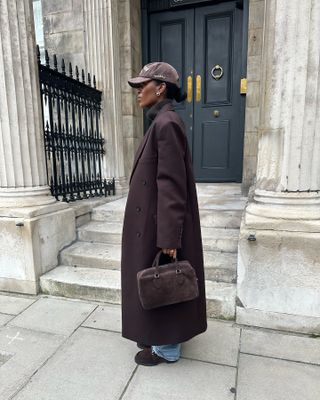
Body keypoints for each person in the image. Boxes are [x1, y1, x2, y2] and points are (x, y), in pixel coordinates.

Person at [121, 61, 207, 366]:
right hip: (152, 221)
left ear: (160, 89)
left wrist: (169, 236)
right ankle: (156, 335)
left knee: (165, 279)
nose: (137, 93)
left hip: (160, 224)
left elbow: (172, 183)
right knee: (154, 279)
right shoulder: (160, 122)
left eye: (142, 86)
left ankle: (167, 349)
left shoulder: (166, 124)